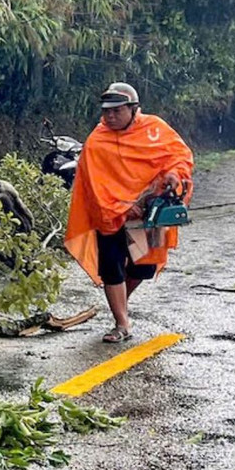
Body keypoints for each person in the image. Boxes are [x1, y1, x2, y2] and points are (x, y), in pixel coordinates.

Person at [64, 82, 194, 343]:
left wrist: (174, 175)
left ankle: (121, 303)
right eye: (106, 112)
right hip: (110, 215)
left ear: (134, 109)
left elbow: (180, 157)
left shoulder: (155, 129)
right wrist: (122, 207)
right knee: (111, 266)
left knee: (144, 268)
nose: (110, 116)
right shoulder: (97, 141)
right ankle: (121, 323)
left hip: (148, 215)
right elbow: (92, 184)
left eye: (117, 111)